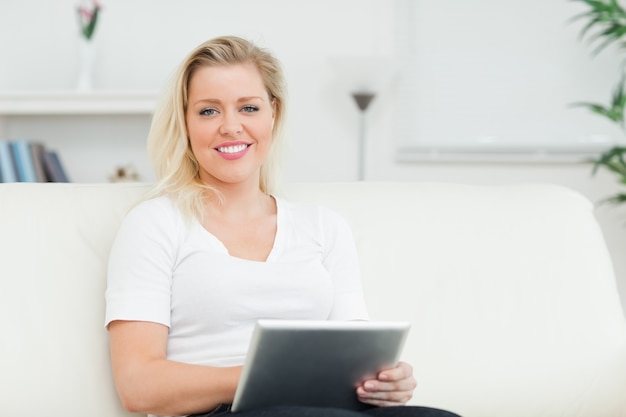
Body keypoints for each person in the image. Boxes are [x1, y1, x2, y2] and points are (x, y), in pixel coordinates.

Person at [105, 36, 460, 417]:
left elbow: (355, 355)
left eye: (249, 107)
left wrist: (385, 381)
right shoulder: (155, 223)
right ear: (186, 123)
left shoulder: (324, 227)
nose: (231, 126)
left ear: (273, 113)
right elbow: (138, 386)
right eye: (208, 111)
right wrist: (262, 379)